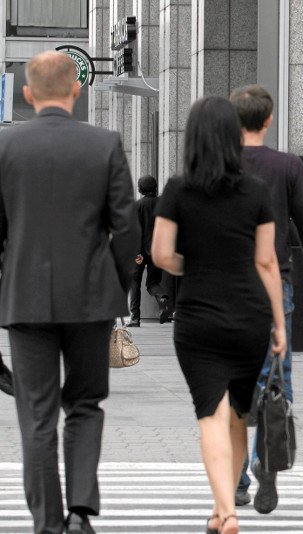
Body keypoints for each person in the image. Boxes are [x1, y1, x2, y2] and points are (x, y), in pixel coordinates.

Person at [0, 51, 140, 534]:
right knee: (85, 404)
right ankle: (81, 511)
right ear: (76, 91)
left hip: (24, 301)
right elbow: (126, 230)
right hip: (90, 298)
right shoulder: (104, 144)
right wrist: (115, 287)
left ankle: (47, 524)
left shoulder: (5, 147)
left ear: (27, 94)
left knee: (37, 416)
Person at [151, 96, 287, 534]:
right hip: (248, 316)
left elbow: (160, 254)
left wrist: (192, 265)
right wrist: (279, 324)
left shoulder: (177, 189)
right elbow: (267, 263)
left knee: (210, 412)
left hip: (197, 318)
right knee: (238, 416)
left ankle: (225, 510)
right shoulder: (256, 191)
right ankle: (222, 508)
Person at [229, 84, 303, 512]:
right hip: (277, 283)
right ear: (268, 120)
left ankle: (236, 478)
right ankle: (266, 460)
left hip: (225, 286)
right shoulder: (287, 165)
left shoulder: (218, 163)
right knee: (276, 377)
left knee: (230, 380)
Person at [127, 175, 170, 326]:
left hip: (139, 251)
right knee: (153, 282)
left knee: (134, 282)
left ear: (139, 189)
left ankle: (135, 318)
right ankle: (162, 297)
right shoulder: (163, 204)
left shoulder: (137, 206)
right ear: (156, 187)